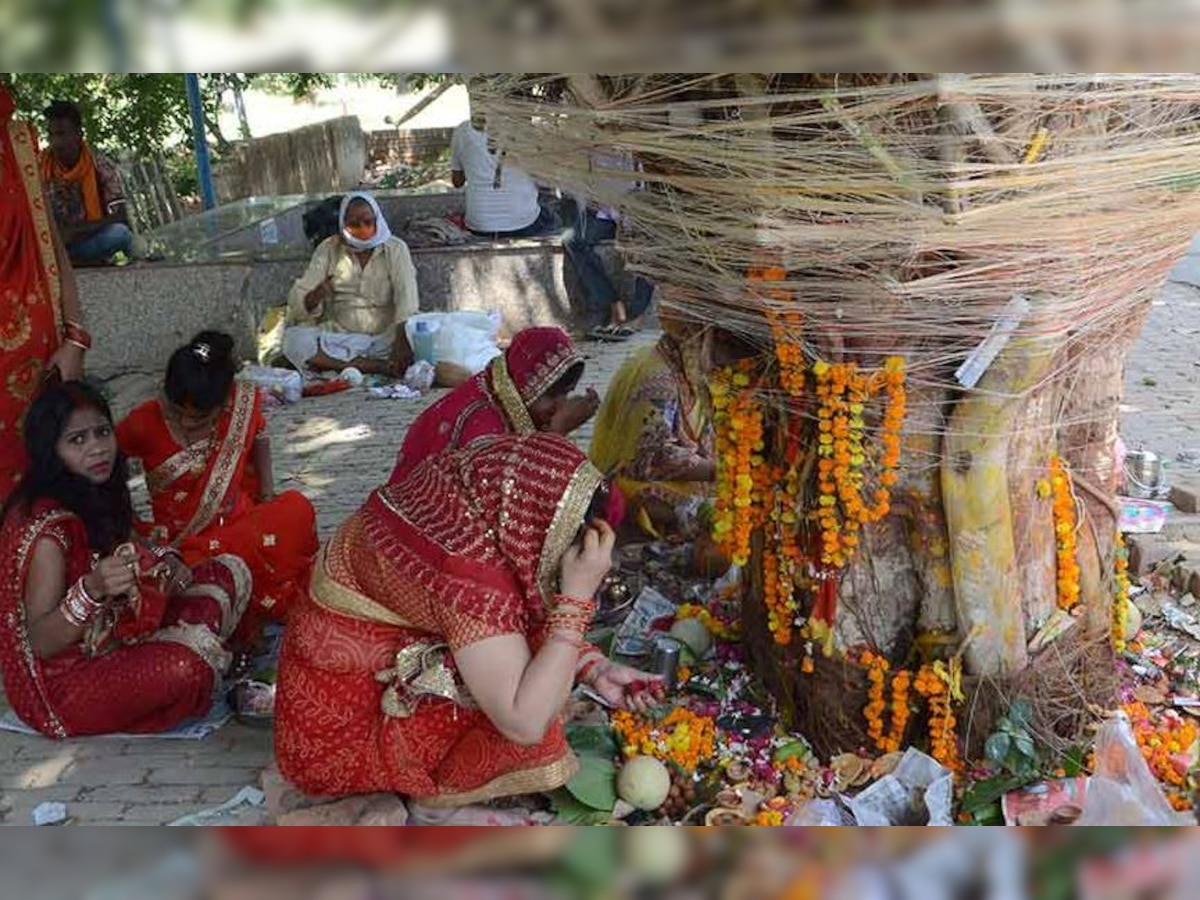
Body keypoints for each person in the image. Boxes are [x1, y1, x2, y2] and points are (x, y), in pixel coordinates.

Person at [275, 431, 661, 803]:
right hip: (336, 736)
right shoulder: (466, 568)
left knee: (540, 659)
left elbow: (517, 601)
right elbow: (524, 723)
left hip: (350, 654)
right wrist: (577, 598)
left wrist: (593, 668)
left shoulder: (477, 495)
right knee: (536, 724)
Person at [0, 381, 250, 737]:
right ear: (50, 451)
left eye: (102, 432)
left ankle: (192, 649)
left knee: (226, 572)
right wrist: (92, 590)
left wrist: (166, 560)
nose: (98, 449)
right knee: (186, 666)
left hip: (116, 631)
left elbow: (131, 541)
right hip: (65, 682)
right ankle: (198, 654)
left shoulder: (93, 489)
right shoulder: (47, 532)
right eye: (77, 440)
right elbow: (39, 641)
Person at [117, 331, 318, 643]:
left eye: (197, 419)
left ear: (224, 402)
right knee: (200, 569)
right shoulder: (143, 422)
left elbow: (260, 436)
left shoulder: (239, 407)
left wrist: (267, 494)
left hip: (242, 524)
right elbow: (107, 461)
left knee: (296, 509)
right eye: (176, 412)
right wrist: (125, 521)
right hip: (182, 543)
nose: (184, 423)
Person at [1, 84, 91, 503]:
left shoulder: (18, 144)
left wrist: (76, 338)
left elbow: (51, 246)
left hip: (41, 364)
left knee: (45, 499)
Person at [590, 314, 758, 537]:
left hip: (672, 472)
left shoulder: (687, 367)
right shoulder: (658, 378)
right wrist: (720, 470)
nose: (728, 365)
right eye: (728, 351)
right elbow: (650, 458)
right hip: (629, 480)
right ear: (706, 340)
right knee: (713, 510)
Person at [390, 326, 600, 483]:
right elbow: (511, 497)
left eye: (567, 394)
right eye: (552, 395)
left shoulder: (501, 393)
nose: (562, 405)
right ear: (523, 386)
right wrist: (557, 432)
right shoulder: (482, 426)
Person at [284, 191, 419, 376]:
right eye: (354, 224)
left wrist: (402, 341)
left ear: (377, 220)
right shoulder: (328, 249)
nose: (362, 228)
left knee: (424, 334)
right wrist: (315, 296)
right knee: (294, 341)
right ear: (342, 225)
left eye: (368, 222)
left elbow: (407, 298)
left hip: (387, 338)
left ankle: (341, 365)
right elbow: (298, 297)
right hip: (340, 338)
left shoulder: (395, 248)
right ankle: (376, 367)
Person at [39, 100, 134, 266]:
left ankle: (66, 263)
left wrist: (76, 231)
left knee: (120, 234)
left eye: (61, 134)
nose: (55, 142)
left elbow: (121, 217)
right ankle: (66, 262)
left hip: (84, 242)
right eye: (51, 135)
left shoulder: (100, 166)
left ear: (78, 135)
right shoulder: (38, 165)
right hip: (49, 245)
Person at [450, 115, 558, 239]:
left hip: (479, 225)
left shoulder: (462, 130)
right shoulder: (530, 133)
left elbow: (457, 182)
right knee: (553, 215)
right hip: (524, 225)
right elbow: (546, 179)